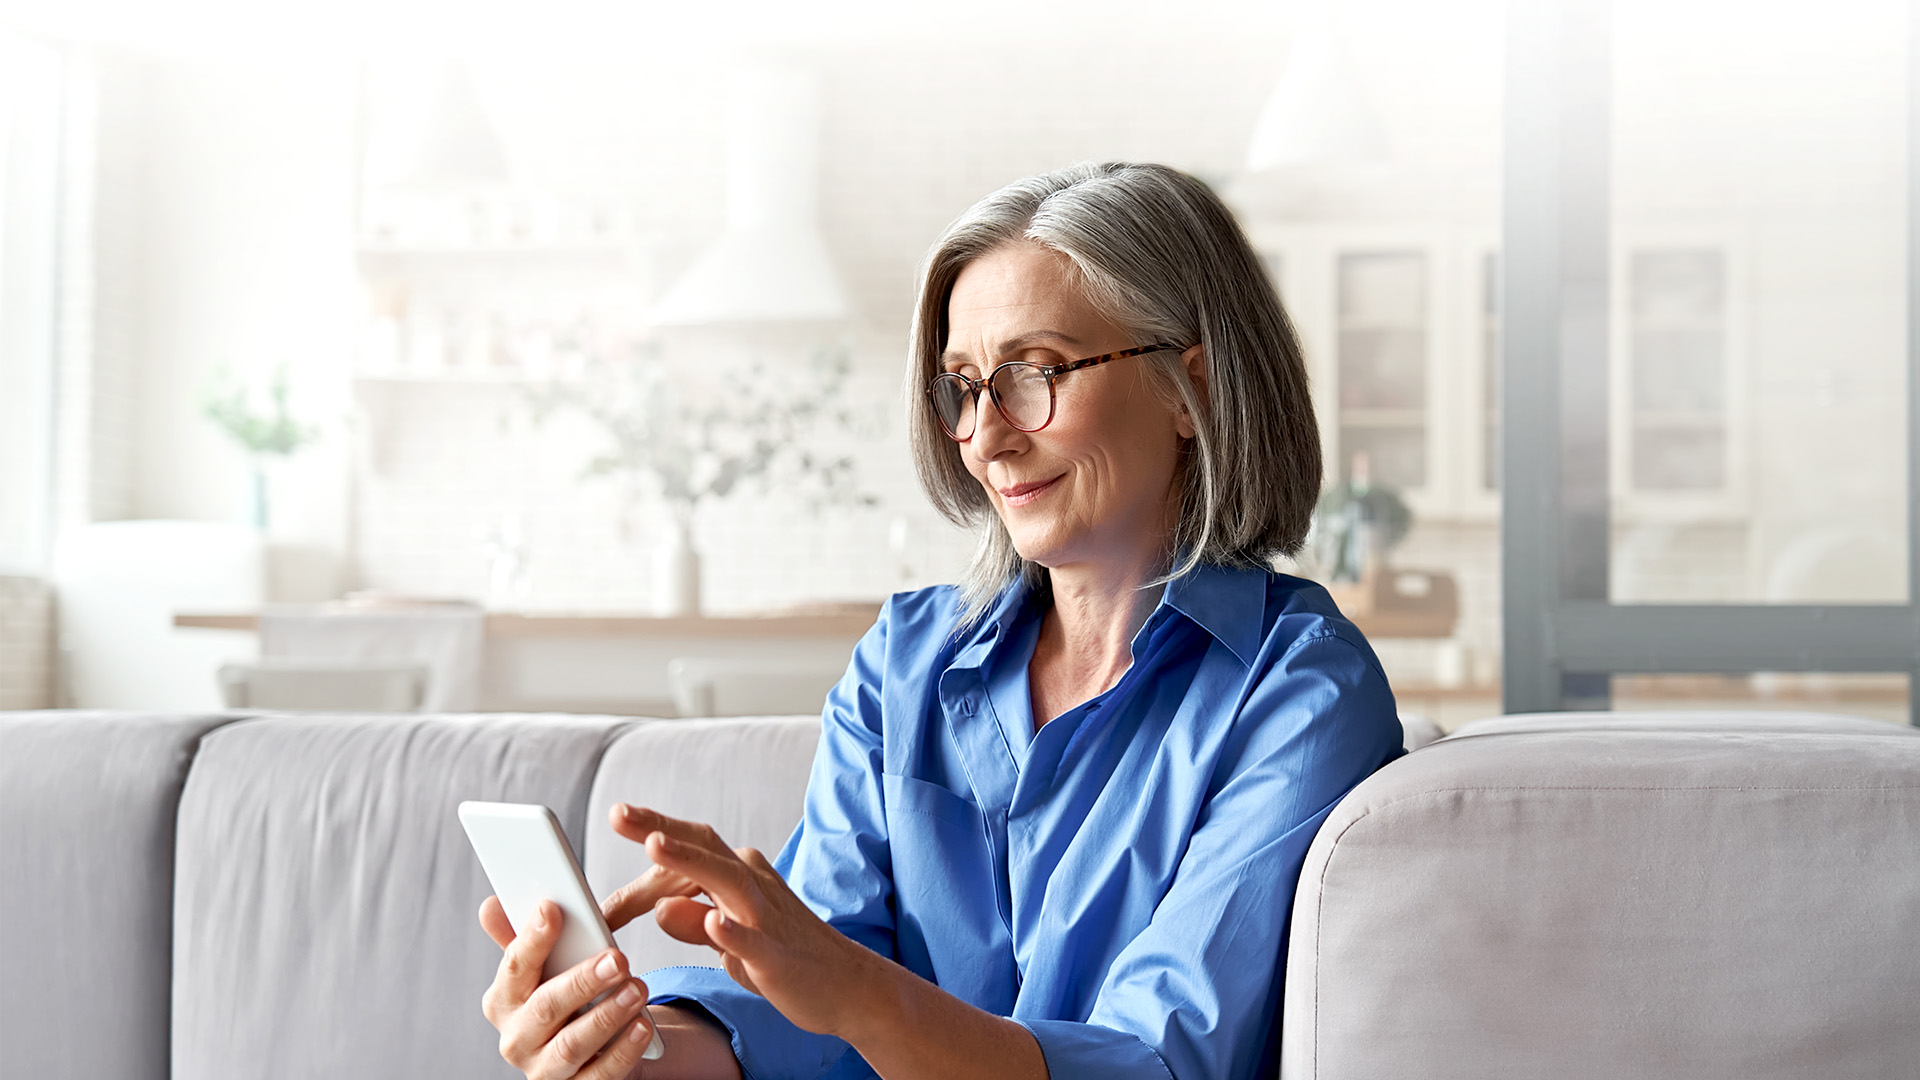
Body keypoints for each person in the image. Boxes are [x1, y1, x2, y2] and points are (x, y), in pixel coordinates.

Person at [476, 161, 1403, 1080]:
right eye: (963, 387)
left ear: (1186, 388)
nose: (987, 436)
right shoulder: (905, 661)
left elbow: (1153, 1062)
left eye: (1035, 373)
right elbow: (803, 1013)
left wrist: (850, 987)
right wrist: (627, 1051)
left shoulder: (1302, 691)